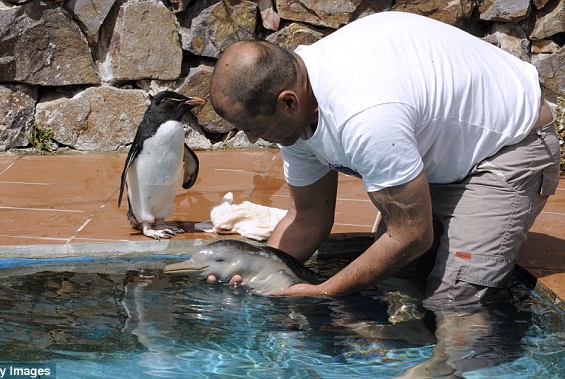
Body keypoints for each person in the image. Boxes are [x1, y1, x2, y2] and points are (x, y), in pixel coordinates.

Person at [208, 11, 559, 311]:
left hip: (507, 147)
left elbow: (411, 235)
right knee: (397, 282)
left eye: (253, 128)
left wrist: (323, 291)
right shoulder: (297, 100)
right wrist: (254, 267)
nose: (252, 139)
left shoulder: (364, 114)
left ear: (288, 102)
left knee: (456, 300)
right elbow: (309, 216)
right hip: (436, 153)